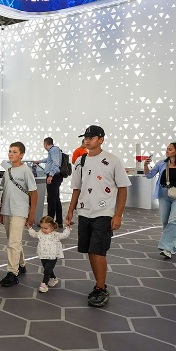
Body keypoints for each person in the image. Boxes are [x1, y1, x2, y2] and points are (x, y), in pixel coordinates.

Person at [65, 125, 131, 307]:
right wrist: (70, 210)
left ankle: (101, 288)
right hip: (84, 211)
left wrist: (118, 214)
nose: (87, 140)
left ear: (101, 139)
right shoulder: (80, 161)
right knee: (90, 251)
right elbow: (76, 188)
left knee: (98, 251)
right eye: (86, 137)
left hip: (104, 213)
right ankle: (98, 285)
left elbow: (123, 188)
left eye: (91, 137)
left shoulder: (113, 160)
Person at [143, 142, 176, 258]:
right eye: (167, 148)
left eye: (170, 149)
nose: (167, 151)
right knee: (165, 222)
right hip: (163, 194)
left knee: (174, 221)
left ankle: (166, 248)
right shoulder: (162, 163)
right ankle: (175, 247)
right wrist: (146, 165)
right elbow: (149, 175)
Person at [0, 142, 38, 287]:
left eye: (14, 152)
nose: (11, 154)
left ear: (21, 155)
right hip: (7, 210)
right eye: (10, 151)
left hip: (20, 211)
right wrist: (1, 210)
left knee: (13, 242)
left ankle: (12, 273)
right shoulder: (7, 171)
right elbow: (4, 192)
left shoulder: (26, 171)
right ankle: (21, 264)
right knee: (13, 240)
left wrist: (31, 214)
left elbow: (34, 193)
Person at [28, 216, 71, 293]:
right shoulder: (40, 233)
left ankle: (44, 285)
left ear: (52, 228)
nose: (43, 230)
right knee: (47, 269)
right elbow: (34, 234)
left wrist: (68, 227)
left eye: (46, 228)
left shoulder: (55, 235)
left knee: (46, 271)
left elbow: (64, 235)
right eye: (42, 227)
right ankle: (53, 278)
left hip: (52, 256)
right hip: (42, 255)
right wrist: (29, 228)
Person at [36, 137, 64, 228]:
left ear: (45, 144)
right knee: (55, 199)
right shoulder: (53, 150)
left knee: (51, 199)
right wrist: (39, 161)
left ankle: (49, 222)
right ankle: (58, 221)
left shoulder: (53, 150)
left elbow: (56, 163)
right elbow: (49, 160)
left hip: (54, 176)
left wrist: (51, 175)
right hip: (55, 176)